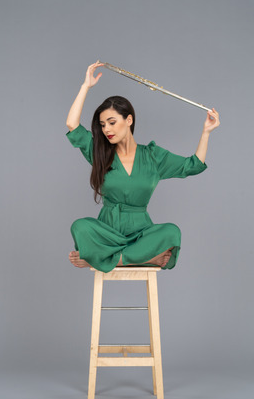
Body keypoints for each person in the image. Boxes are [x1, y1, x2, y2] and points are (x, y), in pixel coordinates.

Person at [66, 60, 220, 273]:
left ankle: (100, 258)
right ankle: (142, 258)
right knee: (80, 227)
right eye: (102, 125)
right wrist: (85, 87)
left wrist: (206, 132)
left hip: (140, 234)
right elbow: (72, 125)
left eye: (112, 122)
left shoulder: (153, 156)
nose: (106, 130)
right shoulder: (100, 154)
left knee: (172, 232)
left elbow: (192, 165)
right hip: (107, 233)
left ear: (128, 120)